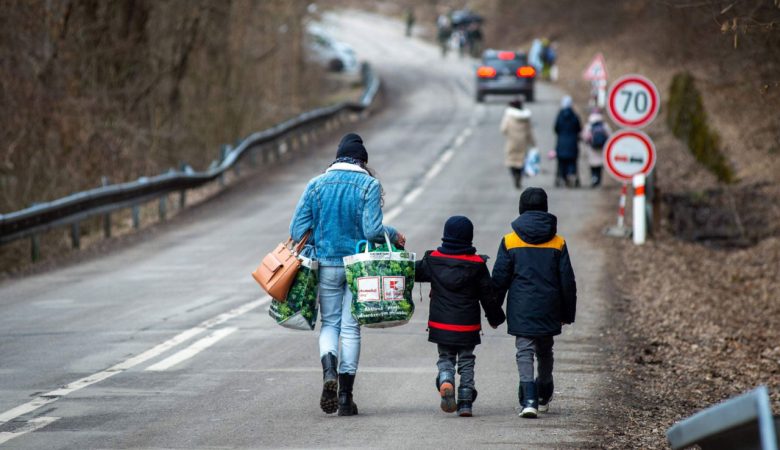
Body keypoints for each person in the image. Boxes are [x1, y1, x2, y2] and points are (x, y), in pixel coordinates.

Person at [290, 133, 406, 417]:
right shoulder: (368, 184)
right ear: (362, 161)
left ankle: (328, 370)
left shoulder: (315, 185)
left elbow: (296, 231)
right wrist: (393, 234)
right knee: (351, 328)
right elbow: (373, 232)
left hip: (326, 264)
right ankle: (345, 398)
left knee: (329, 324)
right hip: (359, 268)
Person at [491, 188, 577, 418]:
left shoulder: (510, 240)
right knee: (545, 349)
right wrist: (568, 313)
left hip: (521, 307)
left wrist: (493, 311)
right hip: (550, 306)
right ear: (546, 208)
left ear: (521, 208)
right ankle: (544, 390)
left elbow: (499, 279)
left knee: (524, 350)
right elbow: (567, 281)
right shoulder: (558, 242)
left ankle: (528, 398)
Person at [415, 216, 505, 417]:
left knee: (445, 357)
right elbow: (488, 296)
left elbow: (413, 272)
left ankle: (446, 378)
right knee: (466, 360)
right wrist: (495, 318)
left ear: (445, 236)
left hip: (441, 325)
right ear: (469, 238)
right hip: (467, 326)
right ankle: (465, 401)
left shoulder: (433, 260)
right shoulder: (477, 264)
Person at [500, 99, 536, 189]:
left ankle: (514, 176)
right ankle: (519, 177)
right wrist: (533, 144)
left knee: (512, 161)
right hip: (523, 143)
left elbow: (503, 129)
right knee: (521, 161)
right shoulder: (526, 118)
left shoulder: (508, 117)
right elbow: (529, 132)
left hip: (512, 142)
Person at [553, 96, 582, 187]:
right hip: (573, 143)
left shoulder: (560, 116)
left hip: (561, 143)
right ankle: (571, 175)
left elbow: (556, 128)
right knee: (572, 161)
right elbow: (579, 128)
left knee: (562, 162)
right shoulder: (575, 116)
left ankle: (562, 177)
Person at [581, 110, 611, 187]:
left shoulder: (589, 125)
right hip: (601, 149)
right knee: (599, 166)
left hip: (592, 149)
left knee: (593, 165)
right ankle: (598, 180)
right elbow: (610, 136)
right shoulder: (604, 125)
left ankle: (594, 178)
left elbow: (585, 137)